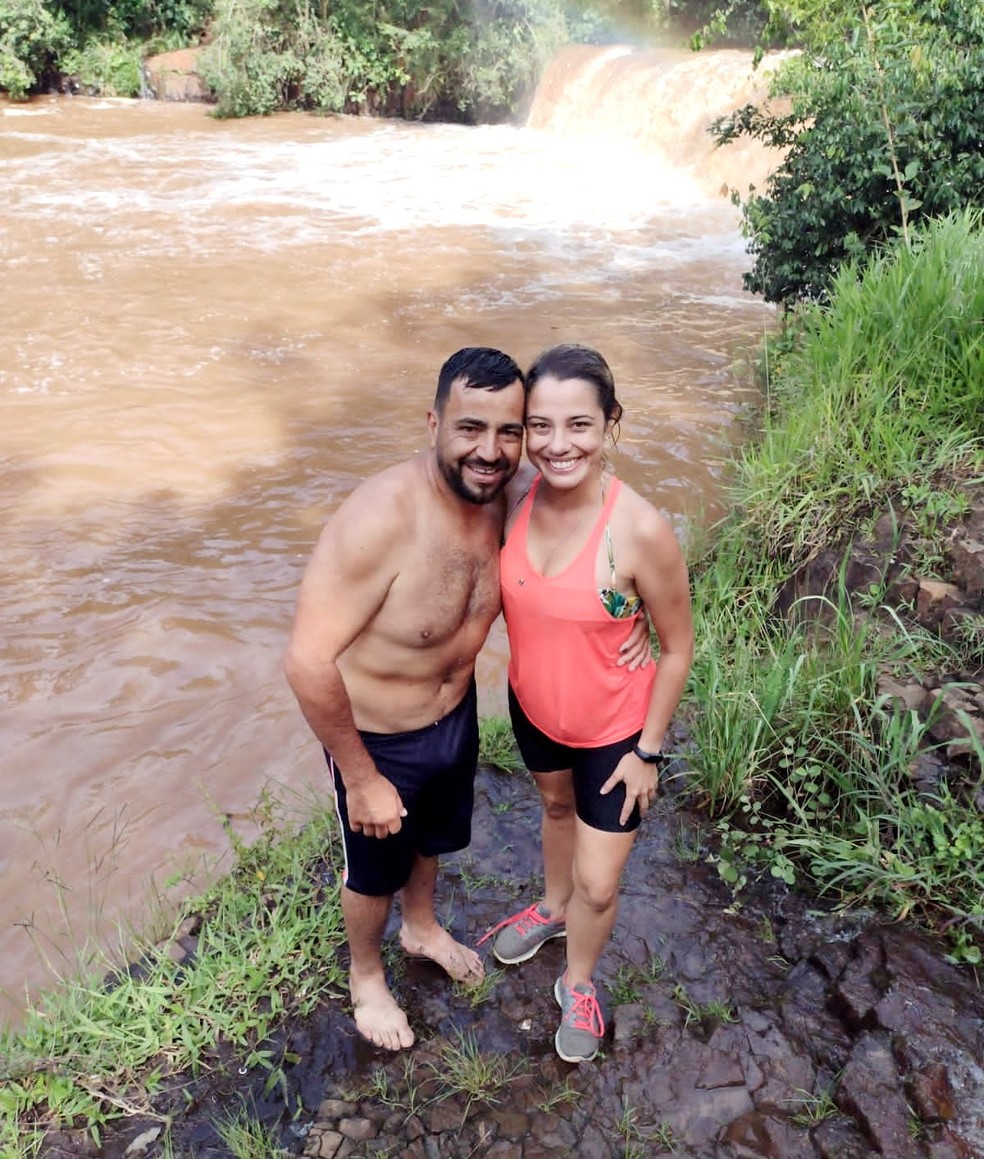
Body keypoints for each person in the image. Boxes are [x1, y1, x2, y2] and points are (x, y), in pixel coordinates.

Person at [284, 347, 652, 1052]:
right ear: (433, 423)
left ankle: (421, 927)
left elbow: (611, 530)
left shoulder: (510, 501)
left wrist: (632, 615)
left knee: (433, 840)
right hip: (378, 734)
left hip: (452, 716)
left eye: (509, 431)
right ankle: (367, 975)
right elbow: (306, 659)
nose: (490, 450)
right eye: (470, 428)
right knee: (371, 870)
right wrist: (361, 778)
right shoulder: (379, 519)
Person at [481, 343, 695, 1064]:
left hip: (616, 731)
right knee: (553, 809)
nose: (556, 443)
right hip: (535, 708)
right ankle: (550, 904)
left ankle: (577, 979)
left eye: (578, 424)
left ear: (611, 426)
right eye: (539, 426)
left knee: (600, 883)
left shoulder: (638, 530)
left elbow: (676, 646)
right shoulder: (515, 495)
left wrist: (649, 751)